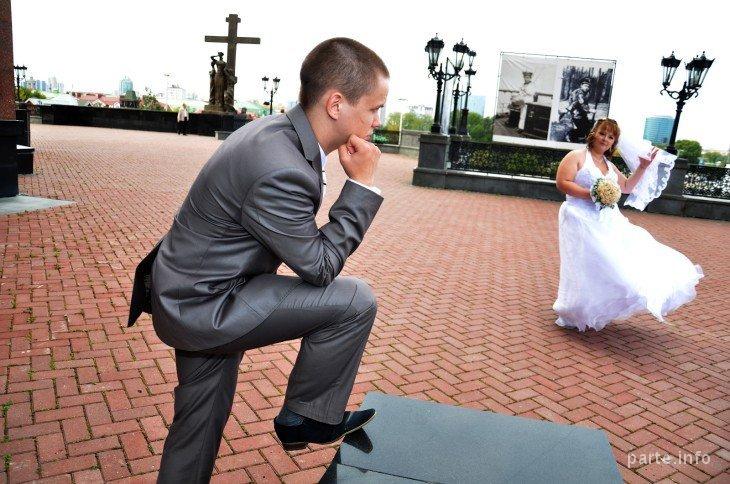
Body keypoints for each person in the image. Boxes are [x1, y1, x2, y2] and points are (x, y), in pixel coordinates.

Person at [128, 38, 389, 483]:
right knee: (354, 301)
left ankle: (303, 416)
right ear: (336, 104)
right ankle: (307, 417)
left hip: (190, 290)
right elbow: (320, 267)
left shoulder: (277, 133)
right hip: (207, 304)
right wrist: (362, 187)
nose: (378, 121)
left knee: (196, 431)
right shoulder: (280, 165)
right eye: (374, 109)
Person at [552, 118, 703, 331]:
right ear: (594, 133)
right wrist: (592, 194)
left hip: (608, 219)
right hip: (579, 216)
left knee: (614, 261)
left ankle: (592, 307)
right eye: (602, 133)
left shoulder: (609, 166)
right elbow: (562, 183)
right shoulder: (576, 157)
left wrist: (642, 167)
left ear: (614, 142)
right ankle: (573, 308)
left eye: (611, 137)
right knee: (582, 262)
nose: (605, 139)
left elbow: (626, 187)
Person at [566, 77, 594, 142]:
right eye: (585, 86)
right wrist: (589, 110)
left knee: (588, 126)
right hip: (576, 113)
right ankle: (570, 135)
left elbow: (585, 103)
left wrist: (586, 110)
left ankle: (583, 136)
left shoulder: (586, 93)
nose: (587, 87)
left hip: (582, 112)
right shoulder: (579, 93)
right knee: (581, 128)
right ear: (581, 85)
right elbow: (581, 103)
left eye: (588, 86)